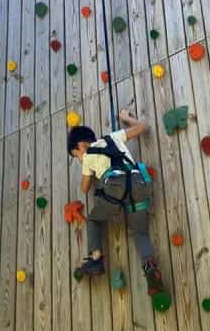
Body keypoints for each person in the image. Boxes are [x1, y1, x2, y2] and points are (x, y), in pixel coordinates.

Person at [67, 109, 165, 295]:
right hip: (139, 183)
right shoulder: (113, 137)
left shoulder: (87, 157)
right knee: (140, 233)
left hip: (115, 187)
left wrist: (88, 169)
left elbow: (84, 188)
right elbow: (143, 127)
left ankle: (96, 260)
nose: (79, 160)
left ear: (81, 146)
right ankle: (151, 270)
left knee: (94, 221)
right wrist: (126, 118)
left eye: (76, 156)